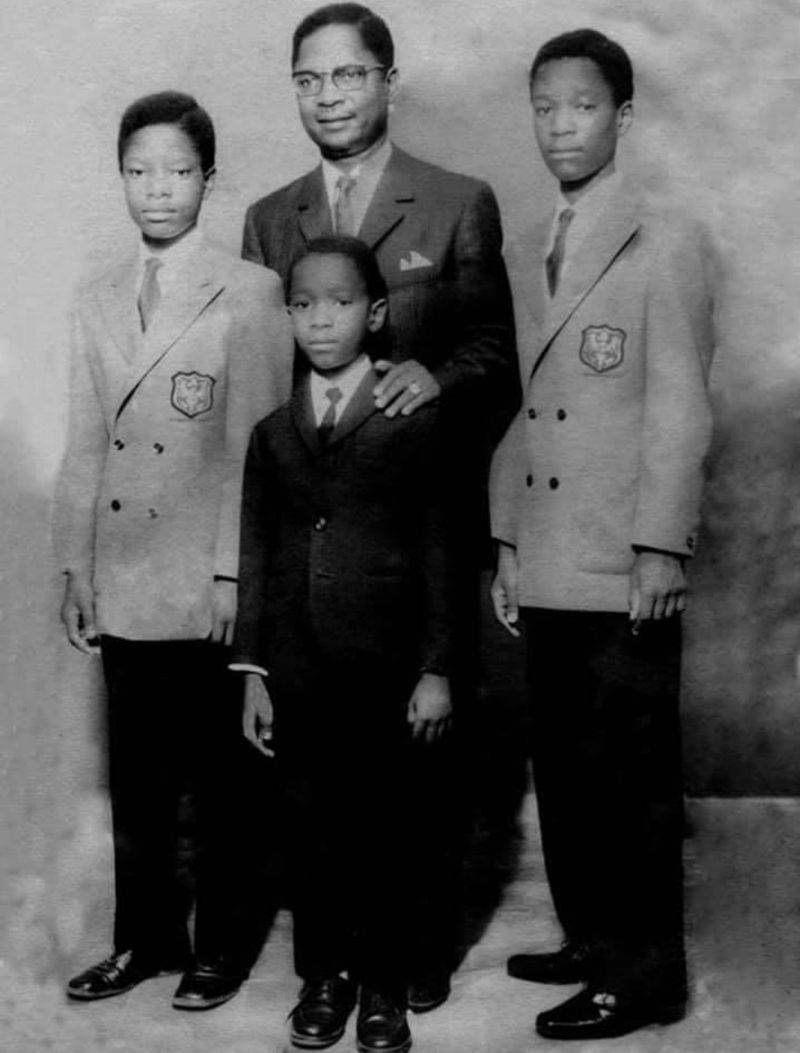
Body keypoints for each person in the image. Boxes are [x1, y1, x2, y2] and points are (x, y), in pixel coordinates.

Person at [242, 3, 518, 1009]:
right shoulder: (270, 219)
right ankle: (334, 962)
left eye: (347, 76)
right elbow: (266, 395)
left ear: (386, 79)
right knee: (320, 781)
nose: (328, 97)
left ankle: (412, 955)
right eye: (308, 80)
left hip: (414, 543)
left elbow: (495, 352)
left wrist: (435, 379)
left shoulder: (455, 201)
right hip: (315, 552)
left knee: (417, 770)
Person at [490, 29, 714, 1040]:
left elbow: (678, 405)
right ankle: (589, 938)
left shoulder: (660, 239)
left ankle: (645, 976)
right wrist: (503, 541)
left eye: (578, 106)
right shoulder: (526, 242)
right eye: (542, 107)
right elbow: (518, 407)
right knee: (567, 768)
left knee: (627, 779)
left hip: (621, 559)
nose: (558, 126)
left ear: (620, 117)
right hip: (545, 549)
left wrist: (661, 544)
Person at [54, 91, 293, 1010]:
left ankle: (223, 947)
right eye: (139, 170)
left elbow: (258, 451)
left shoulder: (251, 291)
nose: (158, 190)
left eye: (179, 171)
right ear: (120, 176)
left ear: (209, 179)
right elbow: (85, 442)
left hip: (206, 571)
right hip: (122, 569)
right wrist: (76, 564)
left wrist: (238, 572)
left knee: (223, 779)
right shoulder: (97, 297)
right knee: (140, 777)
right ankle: (145, 940)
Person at [233, 235, 455, 1053]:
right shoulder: (272, 430)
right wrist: (253, 669)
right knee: (311, 823)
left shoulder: (414, 418)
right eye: (303, 304)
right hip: (297, 665)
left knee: (388, 824)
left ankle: (386, 986)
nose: (321, 319)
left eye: (339, 302)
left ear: (377, 312)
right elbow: (257, 549)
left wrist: (436, 666)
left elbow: (440, 548)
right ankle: (325, 976)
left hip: (388, 662)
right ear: (287, 315)